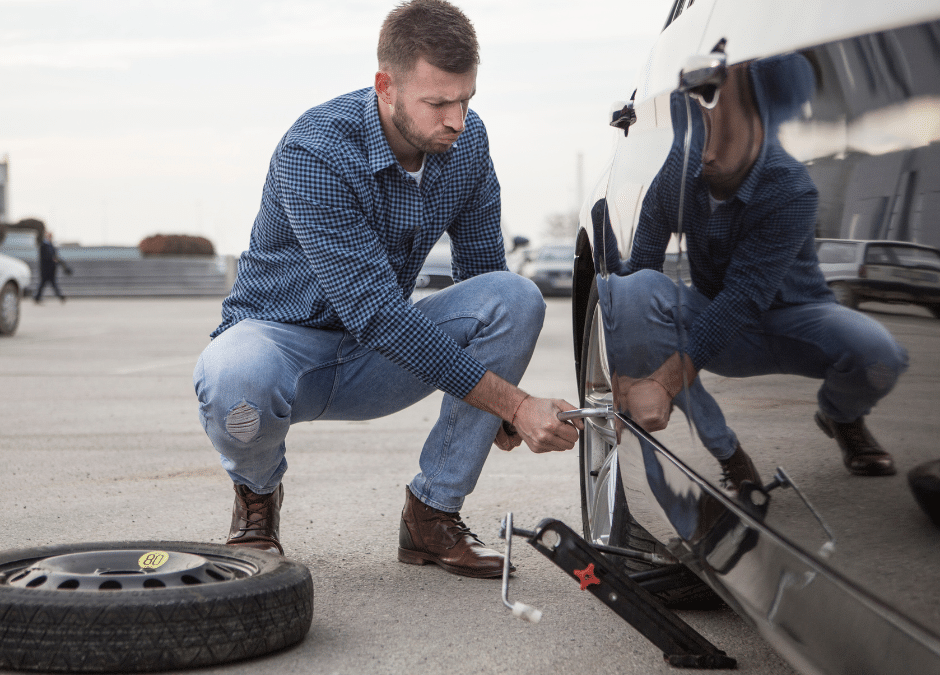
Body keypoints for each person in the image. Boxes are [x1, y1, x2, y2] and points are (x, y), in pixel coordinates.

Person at [193, 0, 581, 578]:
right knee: (234, 372)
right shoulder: (316, 150)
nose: (456, 118)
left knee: (515, 296)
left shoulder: (466, 144)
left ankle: (431, 516)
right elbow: (373, 311)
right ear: (386, 87)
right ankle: (256, 499)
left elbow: (481, 274)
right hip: (283, 354)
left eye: (466, 99)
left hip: (376, 362)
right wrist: (516, 405)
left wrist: (497, 404)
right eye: (438, 102)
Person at [599, 54, 907, 494]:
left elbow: (744, 297)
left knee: (880, 352)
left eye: (725, 129)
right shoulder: (676, 176)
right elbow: (642, 278)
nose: (705, 151)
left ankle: (842, 416)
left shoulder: (789, 185)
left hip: (798, 319)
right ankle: (729, 453)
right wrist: (612, 293)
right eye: (695, 128)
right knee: (631, 292)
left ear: (764, 123)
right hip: (719, 326)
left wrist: (663, 384)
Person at [34, 231, 70, 303]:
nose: (50, 237)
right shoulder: (43, 245)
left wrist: (60, 263)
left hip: (52, 269)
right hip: (45, 269)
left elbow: (55, 256)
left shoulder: (51, 245)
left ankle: (37, 297)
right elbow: (46, 257)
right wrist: (53, 260)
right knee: (46, 284)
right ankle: (60, 297)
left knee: (48, 284)